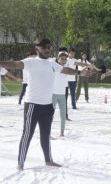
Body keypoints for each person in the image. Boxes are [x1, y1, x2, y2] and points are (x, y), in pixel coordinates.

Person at [0, 38, 90, 170]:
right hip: (32, 104)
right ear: (37, 48)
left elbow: (65, 70)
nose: (47, 49)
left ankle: (48, 160)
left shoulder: (52, 64)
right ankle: (20, 162)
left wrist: (79, 72)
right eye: (44, 47)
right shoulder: (30, 62)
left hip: (47, 106)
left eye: (48, 47)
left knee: (45, 134)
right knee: (27, 134)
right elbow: (15, 64)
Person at [52, 52, 69, 137]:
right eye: (62, 59)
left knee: (63, 115)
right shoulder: (53, 67)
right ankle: (47, 132)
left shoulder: (66, 69)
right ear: (58, 59)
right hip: (53, 94)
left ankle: (62, 133)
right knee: (50, 115)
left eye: (65, 59)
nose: (64, 60)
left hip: (62, 95)